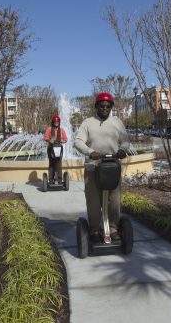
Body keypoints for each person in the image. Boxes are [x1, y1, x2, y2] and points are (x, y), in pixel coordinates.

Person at [74, 92, 130, 243]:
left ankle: (113, 229)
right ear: (96, 106)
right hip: (93, 168)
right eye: (101, 105)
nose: (104, 108)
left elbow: (125, 141)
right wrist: (90, 152)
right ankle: (93, 229)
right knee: (93, 200)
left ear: (111, 107)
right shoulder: (87, 122)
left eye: (107, 106)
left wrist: (123, 150)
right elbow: (78, 142)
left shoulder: (117, 122)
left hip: (112, 167)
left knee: (115, 200)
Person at [43, 115, 68, 184]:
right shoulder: (49, 129)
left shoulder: (62, 130)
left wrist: (63, 141)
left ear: (59, 122)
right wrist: (49, 140)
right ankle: (51, 179)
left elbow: (66, 139)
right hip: (51, 148)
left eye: (57, 121)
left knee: (59, 163)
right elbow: (45, 137)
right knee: (51, 163)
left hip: (59, 148)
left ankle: (59, 179)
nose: (56, 122)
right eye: (55, 121)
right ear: (53, 122)